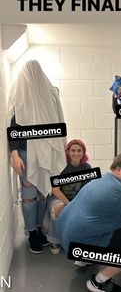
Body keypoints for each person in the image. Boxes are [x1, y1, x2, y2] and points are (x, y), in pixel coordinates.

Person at [57, 153, 121, 292]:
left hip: (66, 239)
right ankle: (98, 282)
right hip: (77, 244)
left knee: (107, 221)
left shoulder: (98, 181)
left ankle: (84, 260)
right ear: (118, 170)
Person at [8, 60, 67, 254]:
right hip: (26, 151)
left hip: (46, 149)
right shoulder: (19, 95)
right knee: (28, 195)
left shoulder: (50, 93)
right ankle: (32, 232)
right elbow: (13, 126)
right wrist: (14, 154)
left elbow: (59, 119)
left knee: (44, 192)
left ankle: (40, 230)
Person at [47, 139, 91, 255]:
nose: (76, 154)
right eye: (73, 150)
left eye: (79, 151)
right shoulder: (61, 166)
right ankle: (54, 240)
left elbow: (87, 189)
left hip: (76, 198)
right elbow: (55, 190)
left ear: (83, 152)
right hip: (58, 198)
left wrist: (78, 203)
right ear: (67, 151)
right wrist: (69, 203)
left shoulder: (86, 167)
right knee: (59, 207)